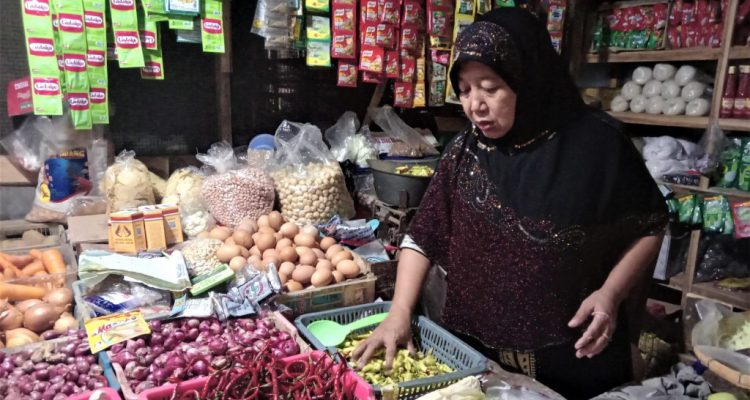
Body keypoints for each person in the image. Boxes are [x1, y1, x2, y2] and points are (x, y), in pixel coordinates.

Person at [352, 8, 669, 399]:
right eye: (465, 91)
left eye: (490, 87)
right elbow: (423, 236)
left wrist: (611, 294)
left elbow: (649, 226)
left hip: (572, 357)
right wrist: (398, 313)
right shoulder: (465, 151)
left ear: (528, 80)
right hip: (474, 359)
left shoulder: (596, 146)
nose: (475, 106)